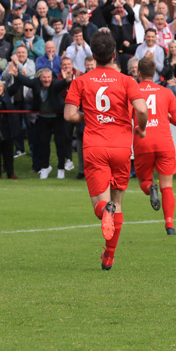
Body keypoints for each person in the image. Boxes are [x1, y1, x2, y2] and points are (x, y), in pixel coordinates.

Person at [64, 32, 148, 270]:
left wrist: (90, 115)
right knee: (118, 203)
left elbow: (70, 115)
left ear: (93, 55)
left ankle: (105, 210)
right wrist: (140, 129)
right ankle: (109, 255)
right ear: (114, 55)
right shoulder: (127, 81)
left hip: (95, 146)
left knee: (100, 207)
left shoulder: (81, 81)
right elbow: (141, 109)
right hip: (122, 147)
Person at [134, 56, 176, 235]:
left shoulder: (133, 91)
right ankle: (169, 225)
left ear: (139, 73)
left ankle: (150, 187)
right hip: (164, 142)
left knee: (143, 181)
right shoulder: (166, 92)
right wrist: (167, 117)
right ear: (154, 74)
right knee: (167, 186)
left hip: (143, 140)